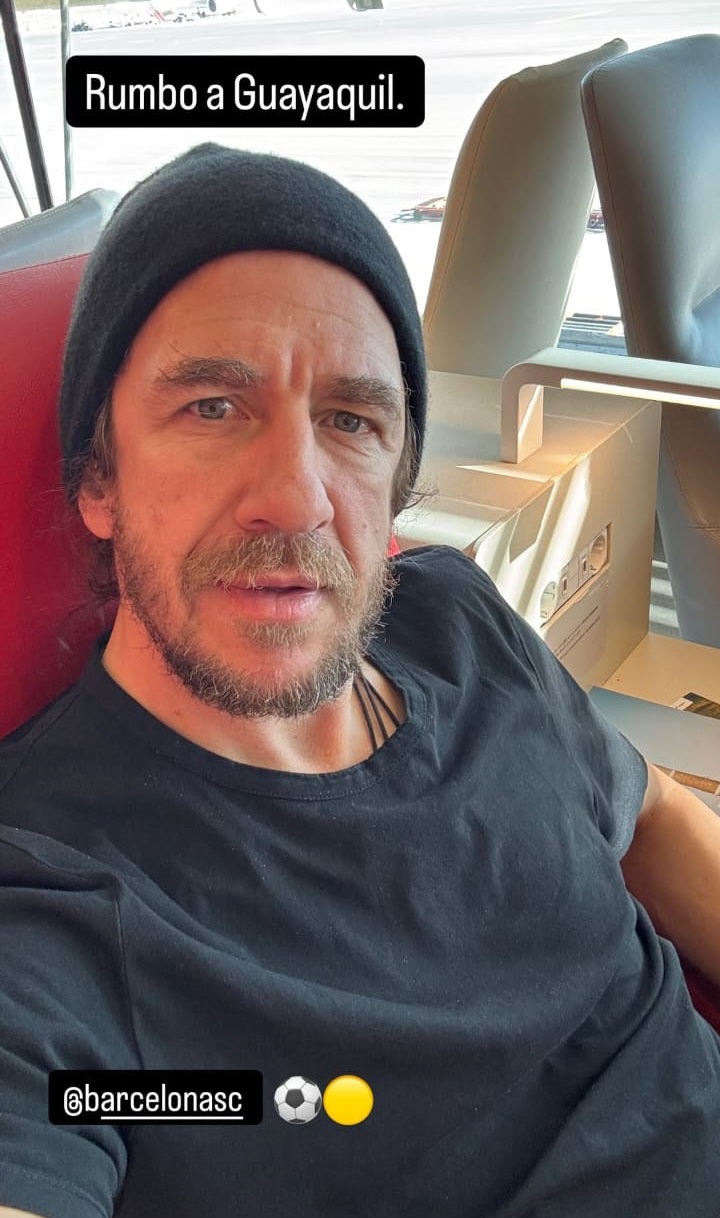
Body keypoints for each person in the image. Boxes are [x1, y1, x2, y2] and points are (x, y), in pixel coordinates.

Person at [0, 142, 718, 1218]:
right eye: (213, 407)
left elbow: (649, 813)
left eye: (350, 420)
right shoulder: (49, 895)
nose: (296, 500)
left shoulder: (457, 622)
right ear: (98, 479)